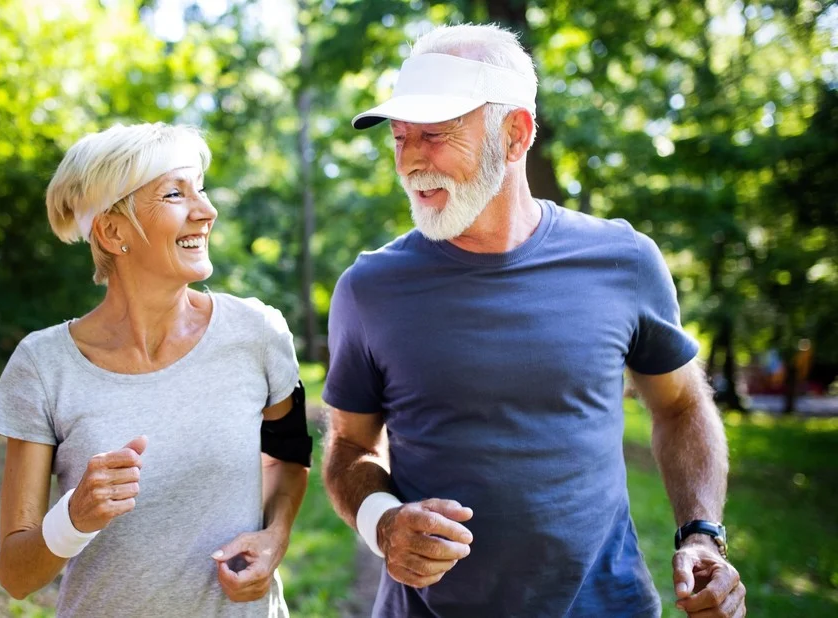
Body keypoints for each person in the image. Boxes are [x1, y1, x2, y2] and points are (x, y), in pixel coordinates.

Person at [320, 24, 747, 618]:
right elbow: (348, 445)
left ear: (515, 134)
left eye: (436, 135)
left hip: (608, 606)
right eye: (399, 137)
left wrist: (701, 533)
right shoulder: (369, 288)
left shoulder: (623, 260)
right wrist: (382, 521)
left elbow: (680, 406)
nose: (411, 160)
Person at [0, 122, 308, 617]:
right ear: (114, 232)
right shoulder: (43, 364)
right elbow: (15, 575)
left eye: (200, 191)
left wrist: (275, 537)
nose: (207, 212)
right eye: (175, 194)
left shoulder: (259, 332)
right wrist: (73, 518)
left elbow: (288, 454)